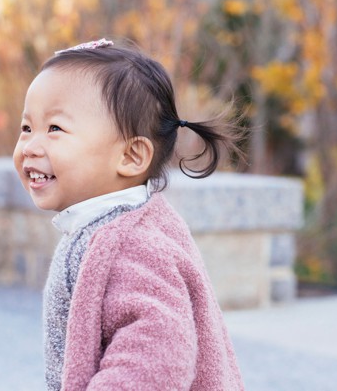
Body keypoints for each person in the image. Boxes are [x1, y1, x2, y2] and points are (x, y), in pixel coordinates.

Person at [13, 38, 245, 391]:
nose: (30, 146)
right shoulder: (116, 225)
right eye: (27, 128)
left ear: (132, 156)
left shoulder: (132, 245)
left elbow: (157, 356)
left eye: (55, 129)